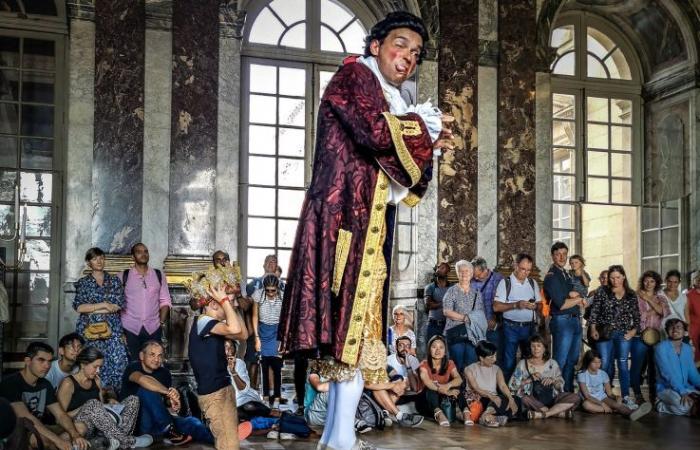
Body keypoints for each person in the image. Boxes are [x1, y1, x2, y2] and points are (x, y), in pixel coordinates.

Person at [277, 11, 454, 450]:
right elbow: (375, 133)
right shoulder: (355, 75)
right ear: (376, 45)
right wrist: (421, 131)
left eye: (415, 54)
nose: (408, 58)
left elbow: (404, 176)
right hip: (344, 228)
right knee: (349, 340)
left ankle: (338, 438)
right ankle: (339, 440)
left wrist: (424, 142)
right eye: (400, 45)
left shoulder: (385, 94)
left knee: (352, 344)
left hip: (365, 231)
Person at [188, 273, 249, 450]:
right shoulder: (203, 322)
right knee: (228, 445)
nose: (234, 305)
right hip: (214, 395)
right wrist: (224, 301)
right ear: (214, 303)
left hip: (224, 389)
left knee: (230, 443)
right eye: (230, 302)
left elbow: (243, 334)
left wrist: (233, 305)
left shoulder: (214, 325)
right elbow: (235, 328)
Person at [0, 342, 90, 450]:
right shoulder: (10, 383)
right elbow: (26, 416)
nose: (47, 366)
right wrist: (58, 441)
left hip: (41, 427)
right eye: (41, 360)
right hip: (20, 431)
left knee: (80, 428)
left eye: (50, 361)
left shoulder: (45, 384)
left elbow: (60, 415)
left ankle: (58, 446)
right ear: (28, 361)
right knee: (44, 440)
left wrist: (75, 435)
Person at [57, 346, 151, 449]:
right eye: (95, 367)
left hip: (103, 428)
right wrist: (84, 407)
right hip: (83, 425)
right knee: (92, 403)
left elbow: (101, 408)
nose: (98, 371)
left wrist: (110, 404)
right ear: (83, 364)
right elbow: (59, 418)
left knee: (134, 399)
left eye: (100, 367)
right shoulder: (68, 383)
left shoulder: (96, 380)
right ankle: (128, 441)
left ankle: (113, 441)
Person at [120, 341, 199, 446]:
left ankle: (225, 442)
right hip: (138, 426)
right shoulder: (132, 367)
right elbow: (143, 379)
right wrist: (168, 392)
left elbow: (164, 401)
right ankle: (169, 430)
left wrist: (173, 401)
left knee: (194, 424)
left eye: (159, 356)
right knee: (146, 390)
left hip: (157, 424)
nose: (157, 359)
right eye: (152, 355)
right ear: (142, 356)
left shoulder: (164, 373)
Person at [73, 247, 129, 391]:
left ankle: (115, 400)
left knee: (118, 363)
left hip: (113, 329)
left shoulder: (114, 280)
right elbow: (79, 307)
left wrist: (92, 308)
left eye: (101, 258)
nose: (99, 261)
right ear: (88, 263)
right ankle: (95, 398)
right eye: (94, 258)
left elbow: (118, 305)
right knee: (93, 363)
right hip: (89, 330)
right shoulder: (83, 282)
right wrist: (104, 305)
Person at [589, 265, 642, 410]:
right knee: (605, 363)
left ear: (623, 277)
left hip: (624, 334)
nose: (615, 280)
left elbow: (637, 317)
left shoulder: (631, 294)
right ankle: (604, 395)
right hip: (604, 333)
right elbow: (594, 311)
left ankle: (625, 397)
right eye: (612, 277)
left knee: (623, 364)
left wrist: (633, 332)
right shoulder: (602, 291)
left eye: (618, 277)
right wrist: (593, 328)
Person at [543, 242, 586, 393]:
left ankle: (567, 392)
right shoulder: (552, 277)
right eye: (558, 254)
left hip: (574, 320)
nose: (561, 257)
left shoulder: (566, 274)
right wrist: (579, 299)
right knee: (559, 361)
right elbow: (561, 304)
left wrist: (575, 297)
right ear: (552, 256)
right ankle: (552, 394)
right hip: (562, 321)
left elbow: (574, 293)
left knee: (572, 360)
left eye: (564, 254)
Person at [118, 243, 172, 361]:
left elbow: (165, 301)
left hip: (153, 328)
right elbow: (116, 304)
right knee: (132, 364)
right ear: (133, 256)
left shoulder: (158, 275)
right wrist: (120, 330)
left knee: (153, 363)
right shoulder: (123, 276)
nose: (143, 254)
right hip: (129, 328)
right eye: (139, 252)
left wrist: (161, 322)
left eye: (145, 251)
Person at [508, 334, 579, 419]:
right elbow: (512, 386)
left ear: (544, 348)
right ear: (529, 348)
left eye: (539, 346)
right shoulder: (523, 364)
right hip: (533, 400)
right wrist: (528, 380)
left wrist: (553, 380)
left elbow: (560, 384)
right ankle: (557, 413)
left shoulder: (552, 364)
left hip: (553, 399)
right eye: (533, 346)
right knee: (524, 399)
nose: (536, 349)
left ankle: (545, 414)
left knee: (575, 397)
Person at [494, 253, 541, 382]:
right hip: (510, 328)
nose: (526, 273)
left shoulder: (532, 283)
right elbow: (496, 307)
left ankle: (526, 391)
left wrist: (535, 306)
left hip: (529, 328)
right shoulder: (505, 283)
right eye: (523, 269)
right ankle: (509, 394)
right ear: (515, 265)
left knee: (529, 362)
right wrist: (516, 305)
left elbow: (539, 305)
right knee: (508, 363)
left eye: (528, 270)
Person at [577, 349, 651, 421]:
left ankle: (631, 413)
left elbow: (609, 393)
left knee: (617, 405)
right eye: (594, 362)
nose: (598, 365)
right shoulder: (582, 375)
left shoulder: (603, 374)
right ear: (588, 362)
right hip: (590, 400)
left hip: (602, 398)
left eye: (599, 362)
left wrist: (616, 397)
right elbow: (587, 396)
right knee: (586, 405)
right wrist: (602, 404)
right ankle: (613, 410)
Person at [631, 270, 670, 404]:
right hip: (639, 337)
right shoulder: (635, 297)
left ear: (656, 283)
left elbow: (664, 312)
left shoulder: (661, 297)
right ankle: (637, 394)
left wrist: (648, 300)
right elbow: (637, 316)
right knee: (637, 366)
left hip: (656, 337)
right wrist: (655, 310)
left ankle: (655, 396)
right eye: (646, 280)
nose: (648, 283)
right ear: (642, 281)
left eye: (652, 281)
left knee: (655, 367)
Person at [463, 341, 523, 428]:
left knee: (516, 399)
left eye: (495, 356)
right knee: (499, 401)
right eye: (491, 357)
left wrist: (510, 399)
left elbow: (502, 385)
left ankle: (487, 416)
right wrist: (491, 396)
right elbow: (476, 388)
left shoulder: (497, 369)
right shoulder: (469, 369)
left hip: (494, 401)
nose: (495, 359)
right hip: (478, 399)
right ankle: (490, 415)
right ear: (481, 358)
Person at [442, 260, 486, 373]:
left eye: (467, 271)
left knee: (471, 364)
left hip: (472, 334)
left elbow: (479, 313)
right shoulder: (451, 291)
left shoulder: (476, 292)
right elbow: (447, 311)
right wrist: (465, 318)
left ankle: (469, 390)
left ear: (471, 273)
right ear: (457, 274)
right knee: (456, 365)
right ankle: (457, 389)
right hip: (455, 332)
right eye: (461, 271)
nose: (464, 273)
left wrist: (469, 318)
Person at [655, 318, 700, 416]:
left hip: (686, 387)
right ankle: (661, 405)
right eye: (671, 327)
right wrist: (682, 391)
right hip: (666, 388)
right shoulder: (661, 348)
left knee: (691, 404)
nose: (675, 329)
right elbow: (667, 373)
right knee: (685, 406)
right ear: (667, 331)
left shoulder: (687, 349)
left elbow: (693, 374)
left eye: (679, 327)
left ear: (685, 332)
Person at [252, 274, 284, 409]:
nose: (270, 293)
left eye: (273, 290)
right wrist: (256, 337)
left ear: (277, 288)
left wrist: (283, 340)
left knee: (277, 367)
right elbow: (254, 316)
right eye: (268, 290)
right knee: (264, 367)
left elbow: (285, 320)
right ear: (264, 288)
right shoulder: (258, 295)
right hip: (263, 331)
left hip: (277, 332)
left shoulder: (283, 296)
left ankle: (276, 398)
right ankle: (265, 397)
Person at [418, 336, 462, 426]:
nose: (437, 351)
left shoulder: (450, 363)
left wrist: (448, 386)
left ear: (445, 351)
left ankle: (465, 412)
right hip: (426, 402)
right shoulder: (423, 365)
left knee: (457, 388)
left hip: (441, 400)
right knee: (430, 389)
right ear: (429, 350)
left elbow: (459, 379)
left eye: (441, 347)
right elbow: (428, 382)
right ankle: (439, 414)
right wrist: (445, 391)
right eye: (434, 347)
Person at [224, 341, 272, 420]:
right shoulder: (215, 366)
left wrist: (233, 372)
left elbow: (244, 390)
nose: (229, 350)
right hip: (233, 407)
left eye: (231, 347)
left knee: (251, 408)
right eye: (225, 347)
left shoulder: (239, 363)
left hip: (245, 400)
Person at [470, 257, 504, 362]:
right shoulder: (471, 280)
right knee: (477, 357)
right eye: (473, 274)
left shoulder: (498, 279)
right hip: (476, 326)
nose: (475, 277)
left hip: (492, 325)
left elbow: (503, 301)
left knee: (494, 356)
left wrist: (496, 320)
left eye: (478, 274)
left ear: (485, 270)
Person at [424, 262, 452, 343]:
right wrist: (444, 303)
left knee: (447, 351)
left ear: (448, 272)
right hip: (433, 325)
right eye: (438, 267)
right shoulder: (430, 287)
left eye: (442, 268)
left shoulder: (452, 288)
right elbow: (428, 305)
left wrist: (436, 303)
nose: (439, 269)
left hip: (448, 325)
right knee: (431, 349)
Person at [686, 271, 700, 362]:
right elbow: (686, 313)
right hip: (694, 328)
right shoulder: (688, 295)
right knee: (695, 355)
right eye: (697, 278)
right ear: (693, 281)